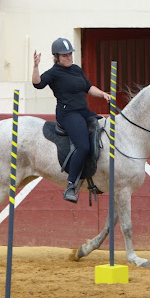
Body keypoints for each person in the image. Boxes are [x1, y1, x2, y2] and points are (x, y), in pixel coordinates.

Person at [32, 38, 111, 203]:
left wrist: (103, 93)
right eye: (64, 55)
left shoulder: (76, 69)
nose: (68, 57)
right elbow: (37, 84)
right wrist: (36, 66)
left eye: (70, 54)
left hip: (83, 111)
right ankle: (71, 186)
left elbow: (88, 88)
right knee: (83, 147)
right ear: (57, 57)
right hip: (68, 114)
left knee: (104, 127)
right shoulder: (53, 73)